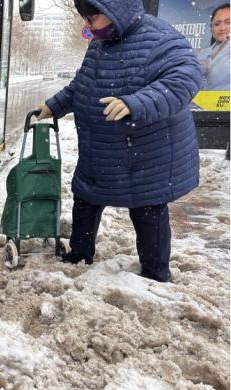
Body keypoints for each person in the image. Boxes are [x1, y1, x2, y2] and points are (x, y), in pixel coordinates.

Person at [37, 0, 203, 282]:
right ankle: (80, 253)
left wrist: (135, 104)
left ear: (116, 11)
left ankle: (155, 273)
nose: (87, 26)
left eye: (92, 19)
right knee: (86, 199)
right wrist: (54, 105)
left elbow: (184, 79)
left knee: (147, 208)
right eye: (86, 19)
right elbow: (82, 85)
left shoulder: (160, 37)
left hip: (146, 154)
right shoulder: (101, 43)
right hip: (101, 149)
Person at [198, 4, 230, 91]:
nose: (222, 28)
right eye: (217, 24)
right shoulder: (202, 55)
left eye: (228, 22)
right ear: (211, 29)